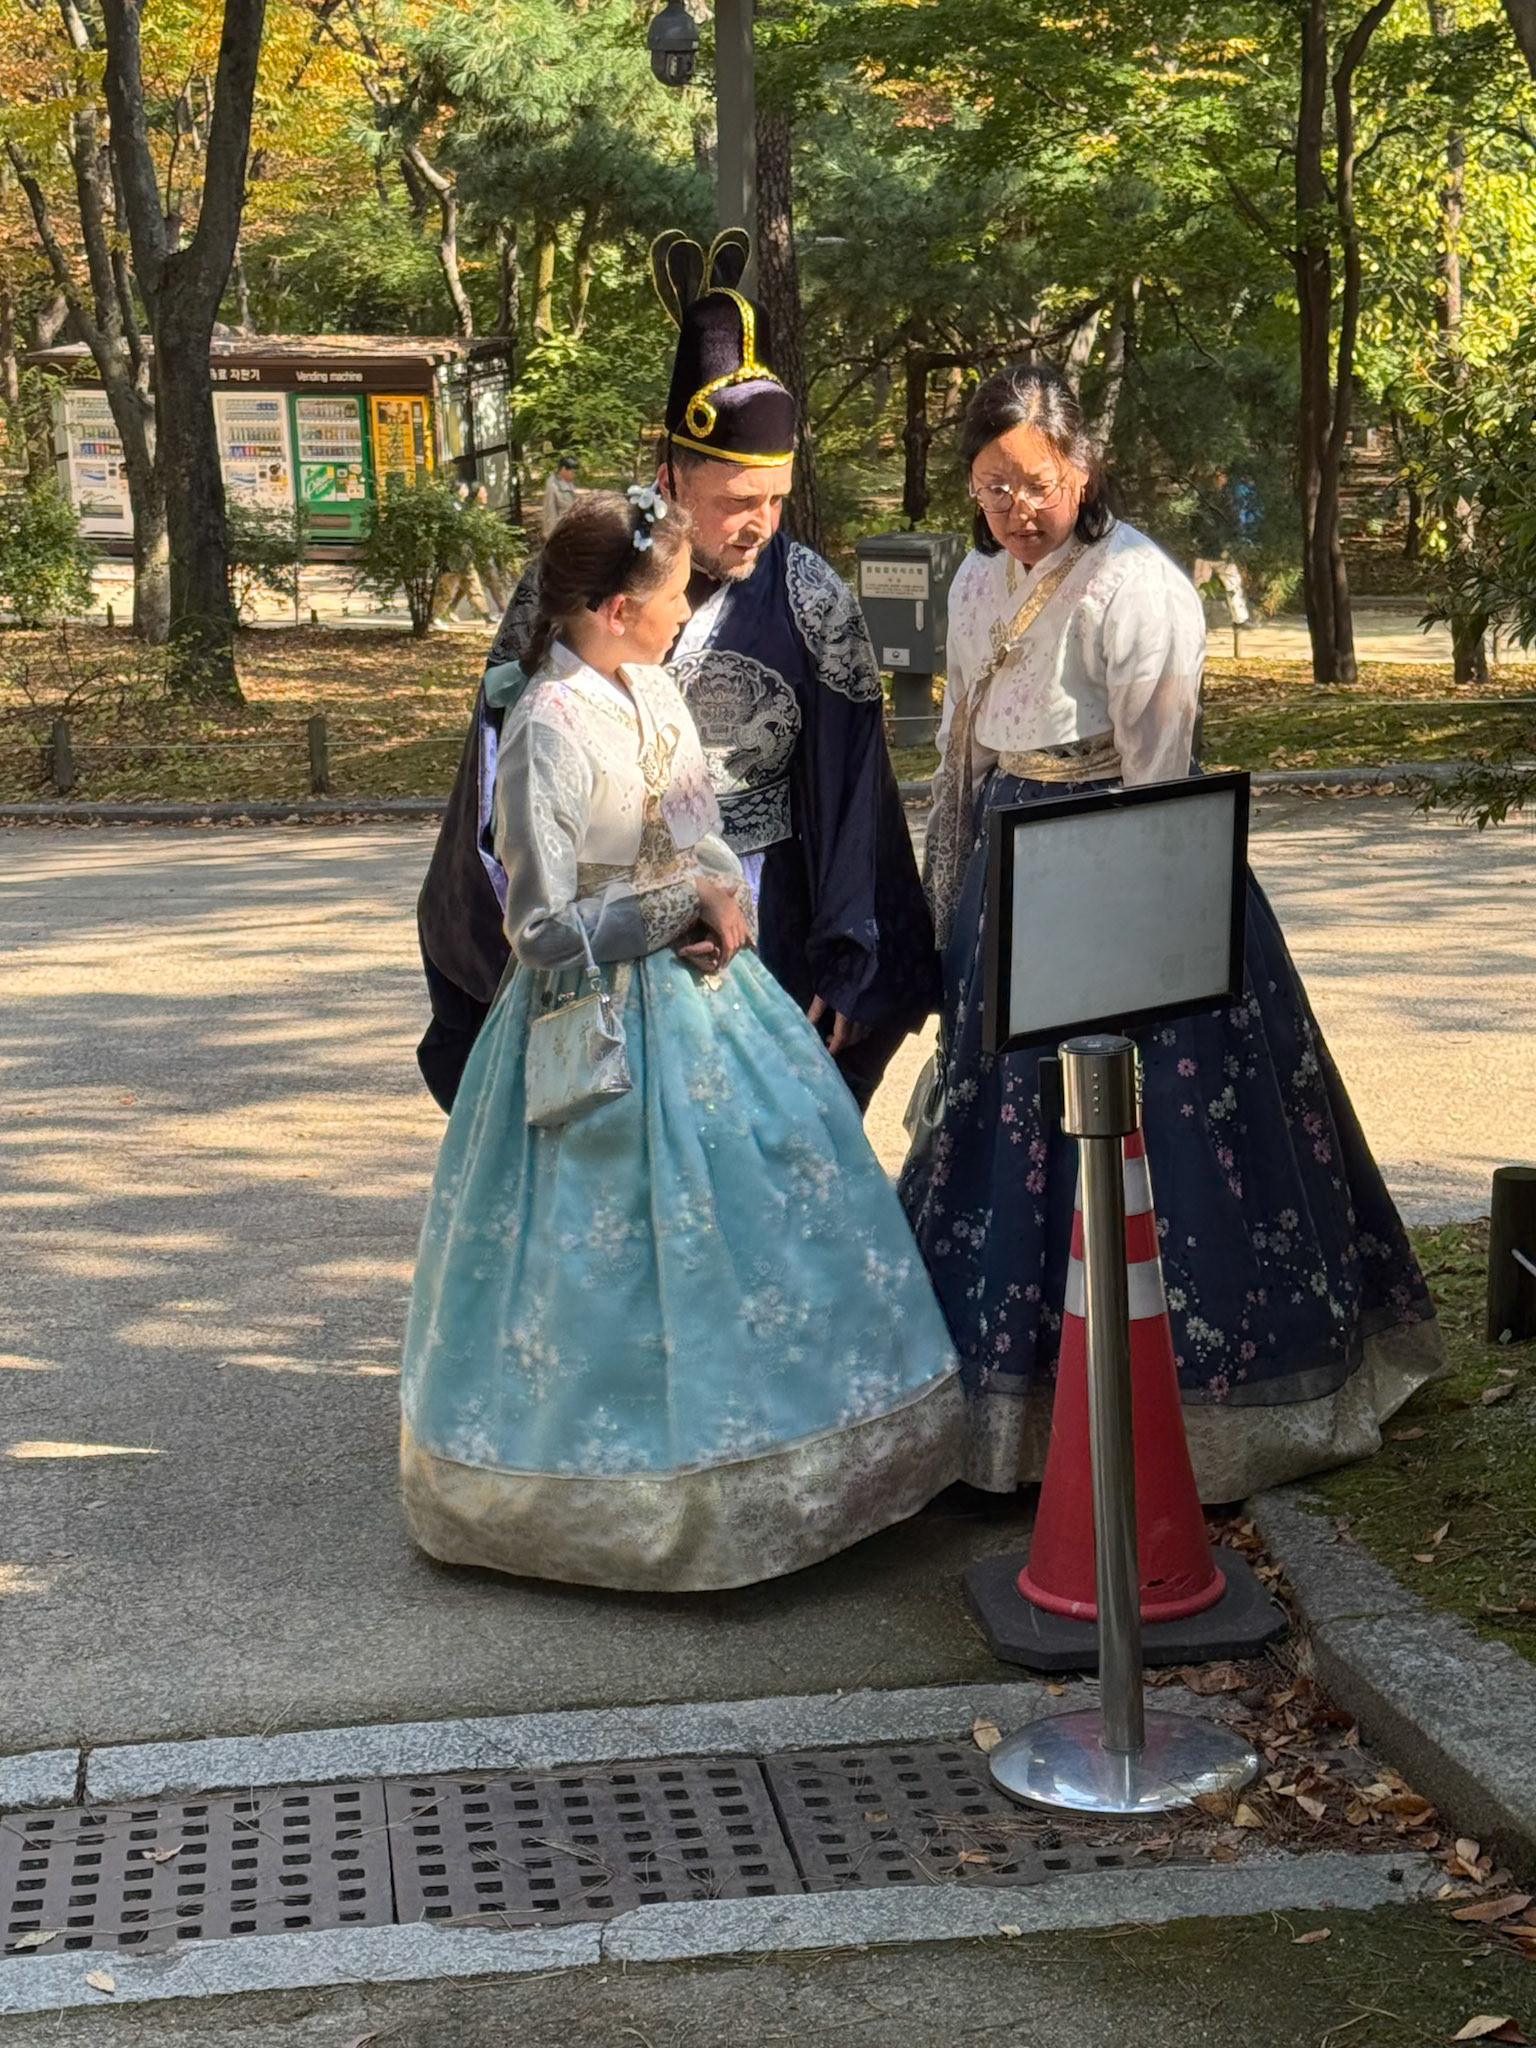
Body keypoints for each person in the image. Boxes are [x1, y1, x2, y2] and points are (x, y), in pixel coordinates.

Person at [900, 362, 1444, 1504]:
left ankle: (1188, 1421)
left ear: (1080, 466)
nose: (1014, 508)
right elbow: (959, 756)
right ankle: (1013, 1418)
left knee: (1164, 1132)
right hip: (1010, 867)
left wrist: (1138, 950)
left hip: (1122, 867)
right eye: (991, 486)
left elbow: (1158, 778)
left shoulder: (1136, 585)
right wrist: (947, 909)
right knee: (1008, 1135)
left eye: (1033, 482)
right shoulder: (972, 585)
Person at [400, 489, 963, 1591]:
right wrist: (676, 913)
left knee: (773, 1190)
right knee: (602, 1252)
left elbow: (698, 820)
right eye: (668, 600)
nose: (685, 614)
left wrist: (722, 891)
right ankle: (603, 1493)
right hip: (592, 1020)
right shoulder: (543, 731)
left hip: (712, 996)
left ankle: (804, 1453)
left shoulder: (651, 685)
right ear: (613, 608)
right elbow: (541, 930)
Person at [415, 228, 938, 1115]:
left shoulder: (810, 596)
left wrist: (852, 956)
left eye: (775, 498)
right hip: (598, 944)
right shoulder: (576, 586)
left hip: (761, 936)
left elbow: (858, 796)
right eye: (735, 501)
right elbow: (501, 785)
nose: (760, 523)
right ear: (669, 476)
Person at [432, 482, 495, 627]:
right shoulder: (450, 508)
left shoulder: (465, 507)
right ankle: (435, 616)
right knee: (446, 590)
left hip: (465, 556)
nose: (466, 490)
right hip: (452, 558)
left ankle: (486, 616)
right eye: (463, 487)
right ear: (456, 490)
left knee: (475, 586)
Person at [540, 455, 579, 535]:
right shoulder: (553, 485)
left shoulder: (568, 482)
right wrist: (551, 535)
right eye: (572, 472)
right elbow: (550, 512)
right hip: (560, 531)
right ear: (563, 469)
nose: (575, 475)